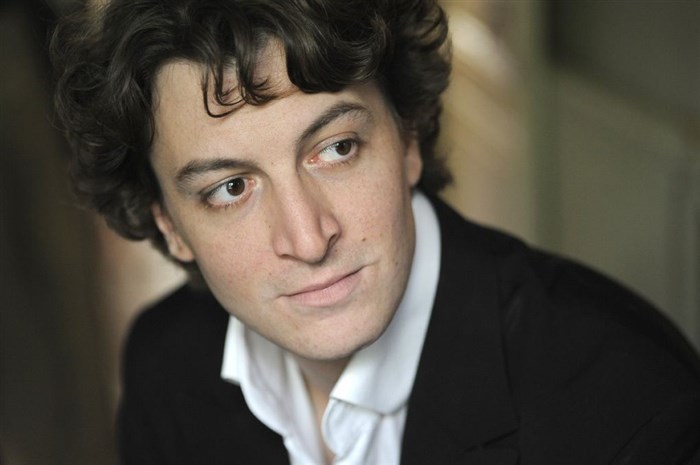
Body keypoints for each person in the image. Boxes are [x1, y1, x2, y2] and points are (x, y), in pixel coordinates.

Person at [51, 0, 700, 464]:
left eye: (336, 148)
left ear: (408, 136)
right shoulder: (165, 367)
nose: (309, 239)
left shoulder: (630, 409)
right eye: (231, 188)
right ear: (169, 224)